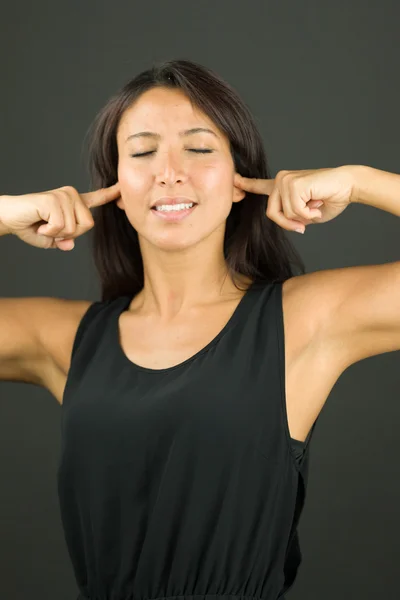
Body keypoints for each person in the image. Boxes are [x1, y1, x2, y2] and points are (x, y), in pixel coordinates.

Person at [1, 58, 399, 600]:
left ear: (240, 181)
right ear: (115, 184)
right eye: (142, 152)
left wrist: (360, 182)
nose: (170, 171)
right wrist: (4, 212)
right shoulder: (66, 341)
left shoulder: (302, 321)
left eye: (199, 147)